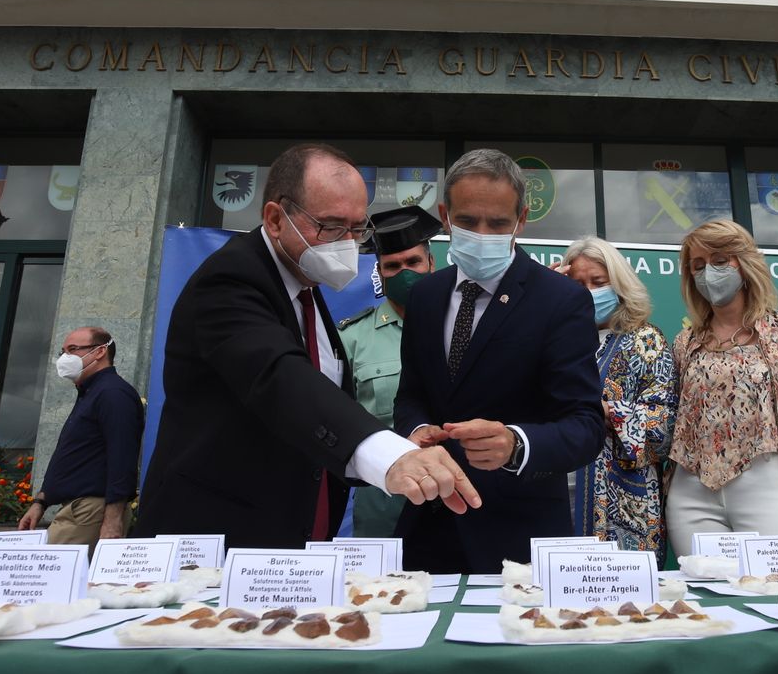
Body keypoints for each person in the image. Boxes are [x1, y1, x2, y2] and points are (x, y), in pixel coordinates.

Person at [132, 143, 479, 550]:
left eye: (356, 228)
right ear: (276, 219)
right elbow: (280, 378)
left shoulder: (305, 287)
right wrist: (389, 455)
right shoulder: (230, 280)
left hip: (292, 543)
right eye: (331, 226)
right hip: (213, 542)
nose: (348, 243)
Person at [392, 149, 607, 573]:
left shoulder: (561, 301)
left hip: (518, 538)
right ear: (445, 214)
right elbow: (411, 395)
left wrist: (515, 444)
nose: (483, 233)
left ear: (522, 220)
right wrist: (416, 430)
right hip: (426, 529)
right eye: (468, 221)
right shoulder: (425, 297)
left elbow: (585, 425)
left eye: (498, 223)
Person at [666, 219, 778, 552]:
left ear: (744, 264)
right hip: (692, 491)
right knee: (706, 595)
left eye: (719, 261)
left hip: (769, 482)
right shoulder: (686, 342)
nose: (708, 273)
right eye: (697, 266)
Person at [556, 236, 677, 562]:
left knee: (626, 608)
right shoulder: (551, 337)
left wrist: (610, 411)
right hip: (552, 494)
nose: (589, 291)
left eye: (598, 282)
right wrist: (539, 305)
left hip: (623, 504)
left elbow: (665, 425)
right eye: (578, 283)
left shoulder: (644, 340)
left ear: (619, 284)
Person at [337, 205, 440, 538]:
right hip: (385, 509)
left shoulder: (465, 328)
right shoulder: (351, 338)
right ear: (379, 274)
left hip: (459, 501)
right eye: (393, 266)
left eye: (413, 262)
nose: (404, 273)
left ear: (431, 264)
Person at [18, 326, 144, 550]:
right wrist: (40, 502)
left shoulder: (113, 393)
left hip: (90, 511)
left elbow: (122, 457)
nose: (65, 358)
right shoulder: (90, 393)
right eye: (63, 351)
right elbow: (71, 456)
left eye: (73, 349)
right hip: (77, 510)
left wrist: (113, 520)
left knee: (46, 577)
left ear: (100, 352)